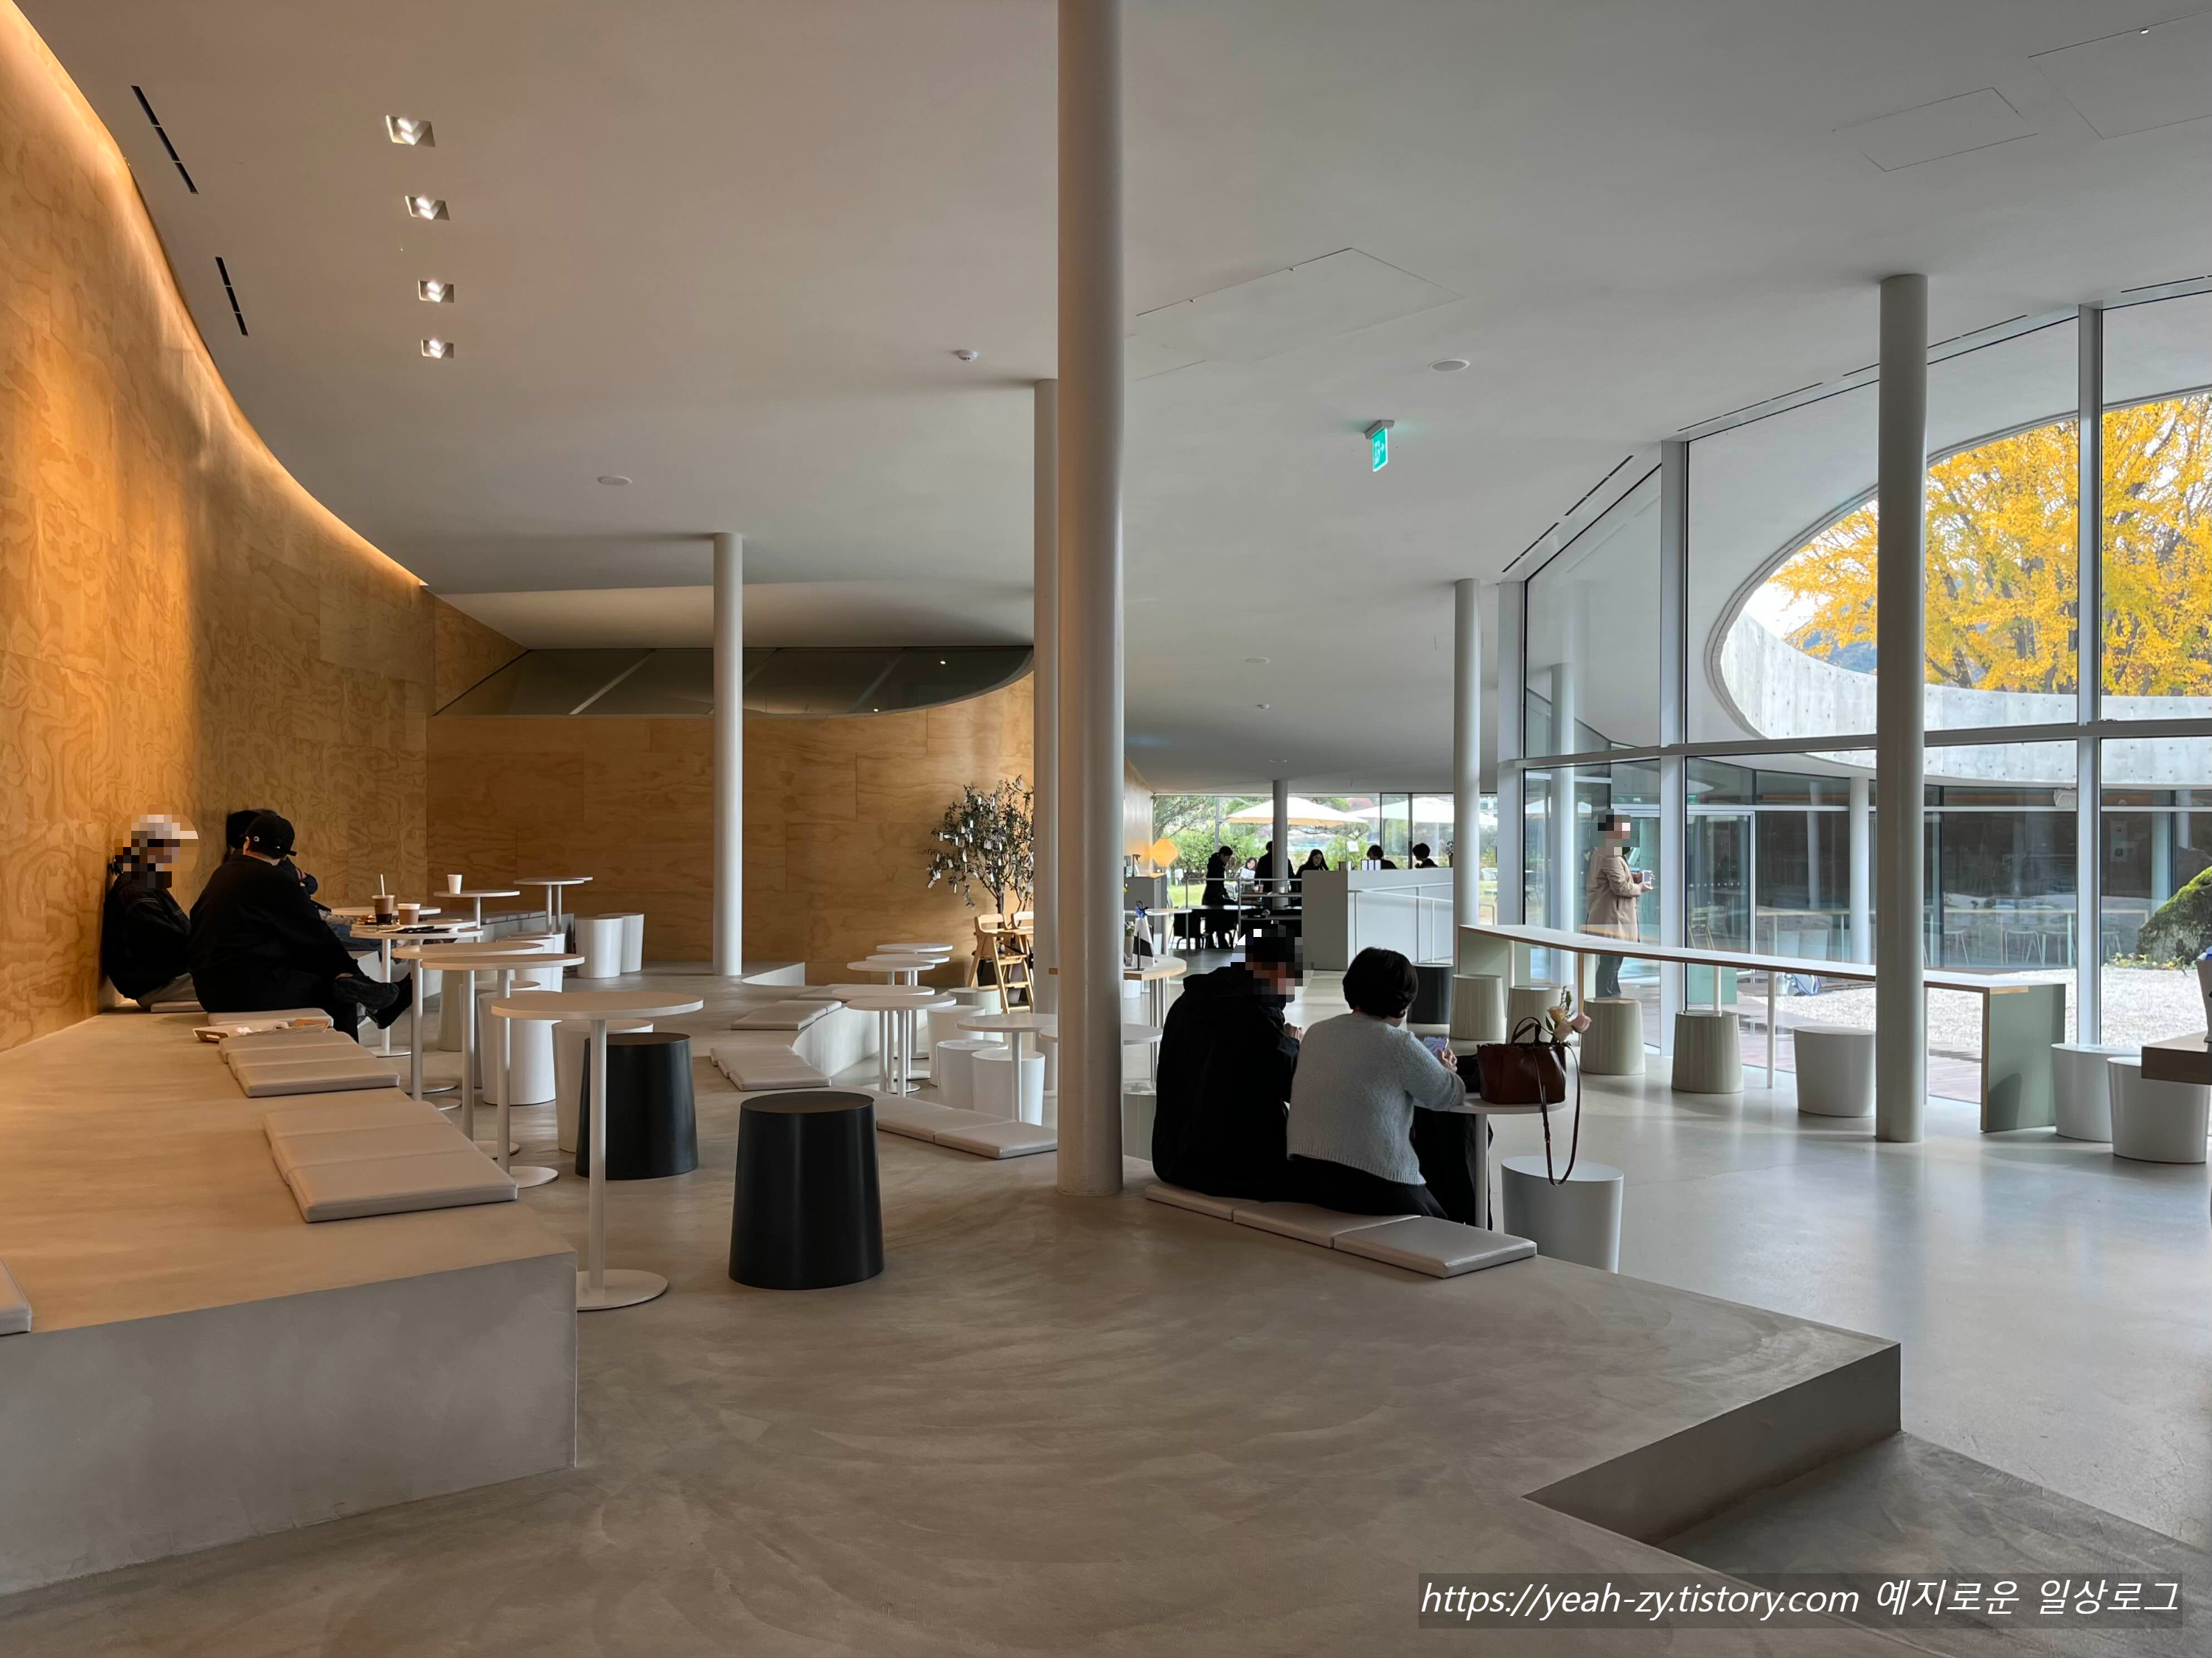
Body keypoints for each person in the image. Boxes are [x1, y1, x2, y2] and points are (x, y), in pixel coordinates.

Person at [1285, 947, 1481, 1222]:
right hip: (1376, 1185)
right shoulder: (1399, 1044)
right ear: (1403, 1002)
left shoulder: (1316, 1033)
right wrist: (1445, 1069)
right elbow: (1448, 1094)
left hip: (1307, 1177)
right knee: (1445, 1223)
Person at [189, 812, 403, 1037]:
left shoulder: (222, 874)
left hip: (208, 987)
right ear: (284, 856)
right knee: (341, 996)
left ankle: (372, 999)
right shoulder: (275, 880)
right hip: (242, 991)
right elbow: (317, 936)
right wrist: (353, 973)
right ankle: (350, 1050)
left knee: (314, 963)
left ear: (247, 842)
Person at [1150, 934, 1303, 1199]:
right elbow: (1294, 1086)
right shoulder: (1256, 1014)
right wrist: (1293, 1043)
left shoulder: (1186, 1003)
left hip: (1174, 1160)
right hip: (1236, 1170)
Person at [101, 813, 198, 1008]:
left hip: (162, 979)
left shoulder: (143, 885)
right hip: (156, 986)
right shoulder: (135, 893)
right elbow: (172, 944)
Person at [1585, 814, 1650, 1001]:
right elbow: (1620, 887)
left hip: (1611, 921)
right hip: (1613, 922)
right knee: (1610, 966)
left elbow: (1618, 877)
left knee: (1611, 965)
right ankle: (1606, 1002)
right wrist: (1640, 888)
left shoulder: (1606, 851)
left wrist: (1636, 877)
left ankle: (1610, 1000)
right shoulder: (1610, 855)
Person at [1200, 846, 1235, 948]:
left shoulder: (1215, 864)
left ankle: (1212, 942)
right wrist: (1223, 894)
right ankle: (1220, 940)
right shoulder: (1217, 866)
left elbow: (1219, 883)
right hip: (1213, 897)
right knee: (1219, 915)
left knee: (1213, 919)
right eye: (1227, 858)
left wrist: (1224, 894)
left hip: (1212, 897)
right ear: (1222, 856)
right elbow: (1217, 883)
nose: (1228, 861)